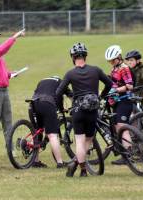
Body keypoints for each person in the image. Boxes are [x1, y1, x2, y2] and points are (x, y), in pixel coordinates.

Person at [56, 43, 112, 177]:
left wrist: (61, 106)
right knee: (88, 140)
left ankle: (83, 170)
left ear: (73, 57)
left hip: (77, 111)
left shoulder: (70, 73)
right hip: (92, 111)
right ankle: (77, 164)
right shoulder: (96, 70)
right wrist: (101, 96)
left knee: (80, 141)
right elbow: (109, 83)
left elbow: (58, 92)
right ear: (85, 56)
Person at [29, 76, 73, 168]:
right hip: (47, 104)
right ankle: (60, 163)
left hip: (33, 104)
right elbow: (68, 96)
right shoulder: (61, 82)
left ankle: (35, 161)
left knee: (37, 133)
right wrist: (66, 109)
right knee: (52, 135)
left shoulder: (42, 80)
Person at [105, 45, 134, 165]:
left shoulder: (124, 68)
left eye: (113, 60)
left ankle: (129, 155)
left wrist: (116, 90)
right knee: (117, 127)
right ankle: (124, 154)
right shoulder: (114, 69)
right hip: (116, 102)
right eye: (109, 61)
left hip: (125, 100)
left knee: (122, 127)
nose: (111, 62)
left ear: (119, 57)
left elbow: (130, 86)